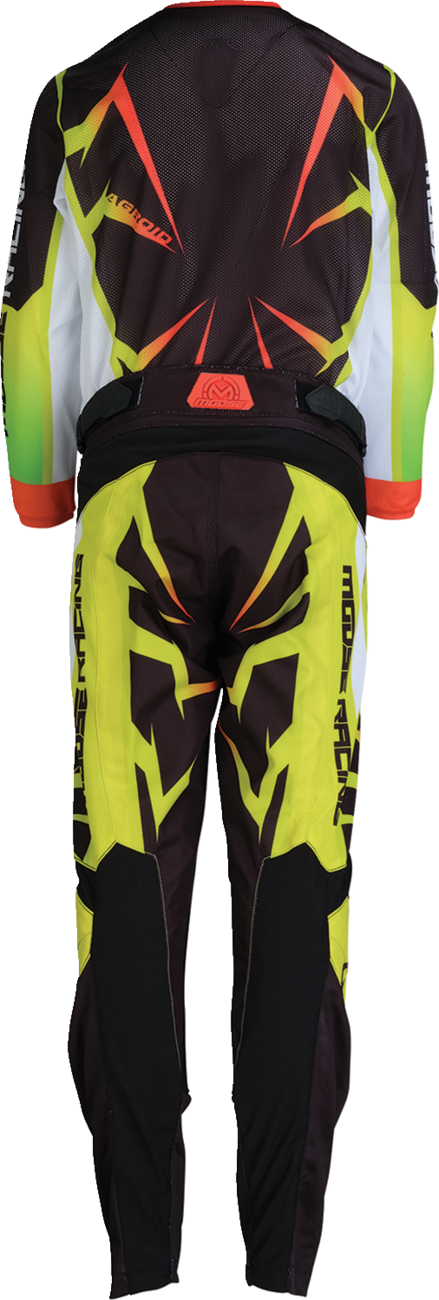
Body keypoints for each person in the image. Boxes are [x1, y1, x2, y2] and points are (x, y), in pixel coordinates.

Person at [1, 4, 436, 1296]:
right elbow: (410, 305)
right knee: (303, 867)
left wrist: (40, 483)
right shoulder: (373, 95)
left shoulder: (78, 91)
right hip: (305, 501)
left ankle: (139, 1254)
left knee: (123, 866)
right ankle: (283, 1261)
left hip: (132, 499)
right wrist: (392, 475)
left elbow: (32, 312)